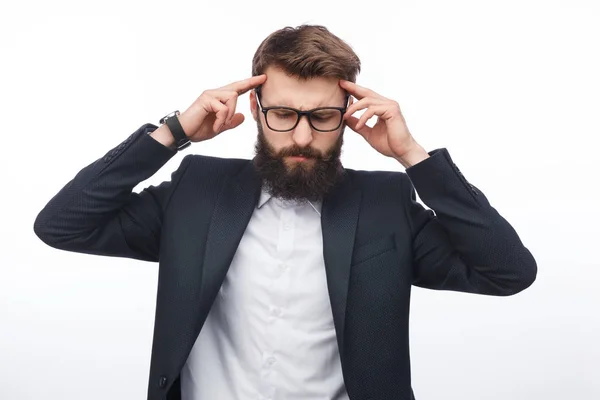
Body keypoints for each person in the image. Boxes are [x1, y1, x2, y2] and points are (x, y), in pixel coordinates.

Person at [33, 24, 537, 400]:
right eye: (282, 114)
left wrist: (414, 157)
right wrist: (174, 132)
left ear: (348, 116)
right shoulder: (196, 192)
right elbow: (62, 224)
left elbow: (507, 271)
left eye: (321, 117)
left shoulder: (386, 205)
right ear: (255, 110)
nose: (301, 137)